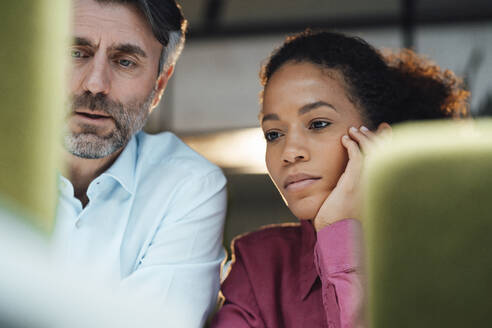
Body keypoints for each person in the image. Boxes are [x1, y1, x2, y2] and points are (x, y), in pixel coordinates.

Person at [211, 30, 468, 328]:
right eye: (274, 134)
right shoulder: (260, 265)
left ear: (379, 141)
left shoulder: (447, 258)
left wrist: (340, 237)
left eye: (318, 124)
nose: (290, 152)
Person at [52, 1, 227, 326]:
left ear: (159, 85)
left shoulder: (189, 185)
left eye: (125, 62)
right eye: (77, 53)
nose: (96, 83)